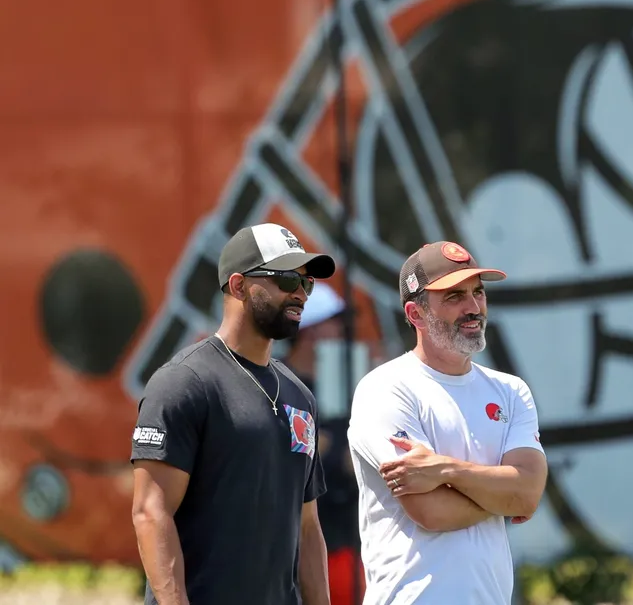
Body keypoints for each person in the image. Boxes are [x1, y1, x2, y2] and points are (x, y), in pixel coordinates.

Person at [130, 223, 336, 605]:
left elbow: (308, 528)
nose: (300, 294)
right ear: (239, 286)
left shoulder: (301, 396)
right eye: (287, 279)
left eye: (305, 283)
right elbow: (151, 513)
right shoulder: (184, 382)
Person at [347, 240, 549, 604]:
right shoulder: (385, 388)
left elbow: (529, 492)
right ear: (415, 313)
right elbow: (431, 510)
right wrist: (506, 496)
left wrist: (446, 471)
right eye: (454, 297)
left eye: (478, 293)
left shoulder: (510, 390)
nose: (473, 308)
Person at [280, 283, 366, 605]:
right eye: (336, 323)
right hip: (295, 550)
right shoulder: (276, 383)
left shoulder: (353, 383)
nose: (345, 333)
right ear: (311, 330)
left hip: (347, 544)